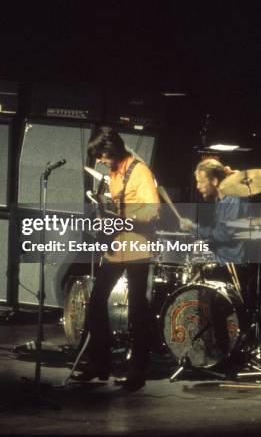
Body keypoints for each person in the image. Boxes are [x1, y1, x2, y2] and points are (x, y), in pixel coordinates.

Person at [72, 126, 160, 391]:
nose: (99, 160)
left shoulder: (140, 171)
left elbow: (153, 212)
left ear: (111, 149)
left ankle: (138, 370)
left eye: (101, 155)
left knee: (137, 308)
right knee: (97, 300)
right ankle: (100, 363)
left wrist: (123, 217)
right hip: (116, 246)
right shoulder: (112, 174)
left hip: (137, 246)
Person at [182, 158, 247, 265]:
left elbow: (225, 234)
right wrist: (203, 241)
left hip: (231, 263)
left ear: (214, 181)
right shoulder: (219, 198)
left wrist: (194, 227)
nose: (198, 186)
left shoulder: (233, 198)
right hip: (220, 257)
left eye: (201, 182)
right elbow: (217, 231)